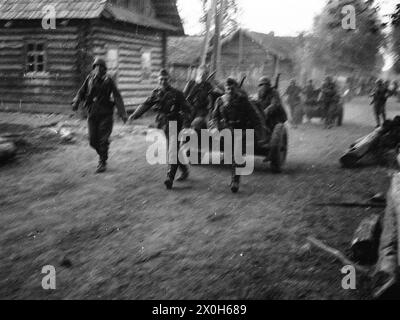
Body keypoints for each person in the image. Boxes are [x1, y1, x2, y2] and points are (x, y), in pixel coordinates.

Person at [129, 69, 193, 190]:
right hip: (163, 124)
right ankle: (184, 170)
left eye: (165, 79)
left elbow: (187, 109)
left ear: (169, 80)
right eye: (161, 79)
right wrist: (135, 114)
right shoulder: (156, 93)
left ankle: (170, 177)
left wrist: (187, 123)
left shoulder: (177, 94)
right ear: (158, 80)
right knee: (173, 149)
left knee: (172, 150)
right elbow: (146, 104)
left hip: (175, 123)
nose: (163, 81)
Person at [72, 58, 128, 174]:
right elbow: (81, 92)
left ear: (104, 69)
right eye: (96, 67)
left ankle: (102, 162)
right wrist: (76, 101)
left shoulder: (109, 80)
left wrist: (122, 114)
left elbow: (117, 96)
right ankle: (103, 155)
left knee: (103, 139)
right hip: (92, 114)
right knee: (92, 140)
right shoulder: (89, 79)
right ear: (93, 68)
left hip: (106, 114)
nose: (98, 69)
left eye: (100, 67)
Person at [210, 78, 258, 194]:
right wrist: (217, 127)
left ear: (236, 88)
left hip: (240, 130)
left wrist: (250, 131)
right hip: (226, 130)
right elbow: (215, 116)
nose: (230, 90)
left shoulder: (243, 100)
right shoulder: (220, 100)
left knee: (236, 155)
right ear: (225, 89)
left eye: (232, 88)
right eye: (228, 88)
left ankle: (235, 181)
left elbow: (253, 116)